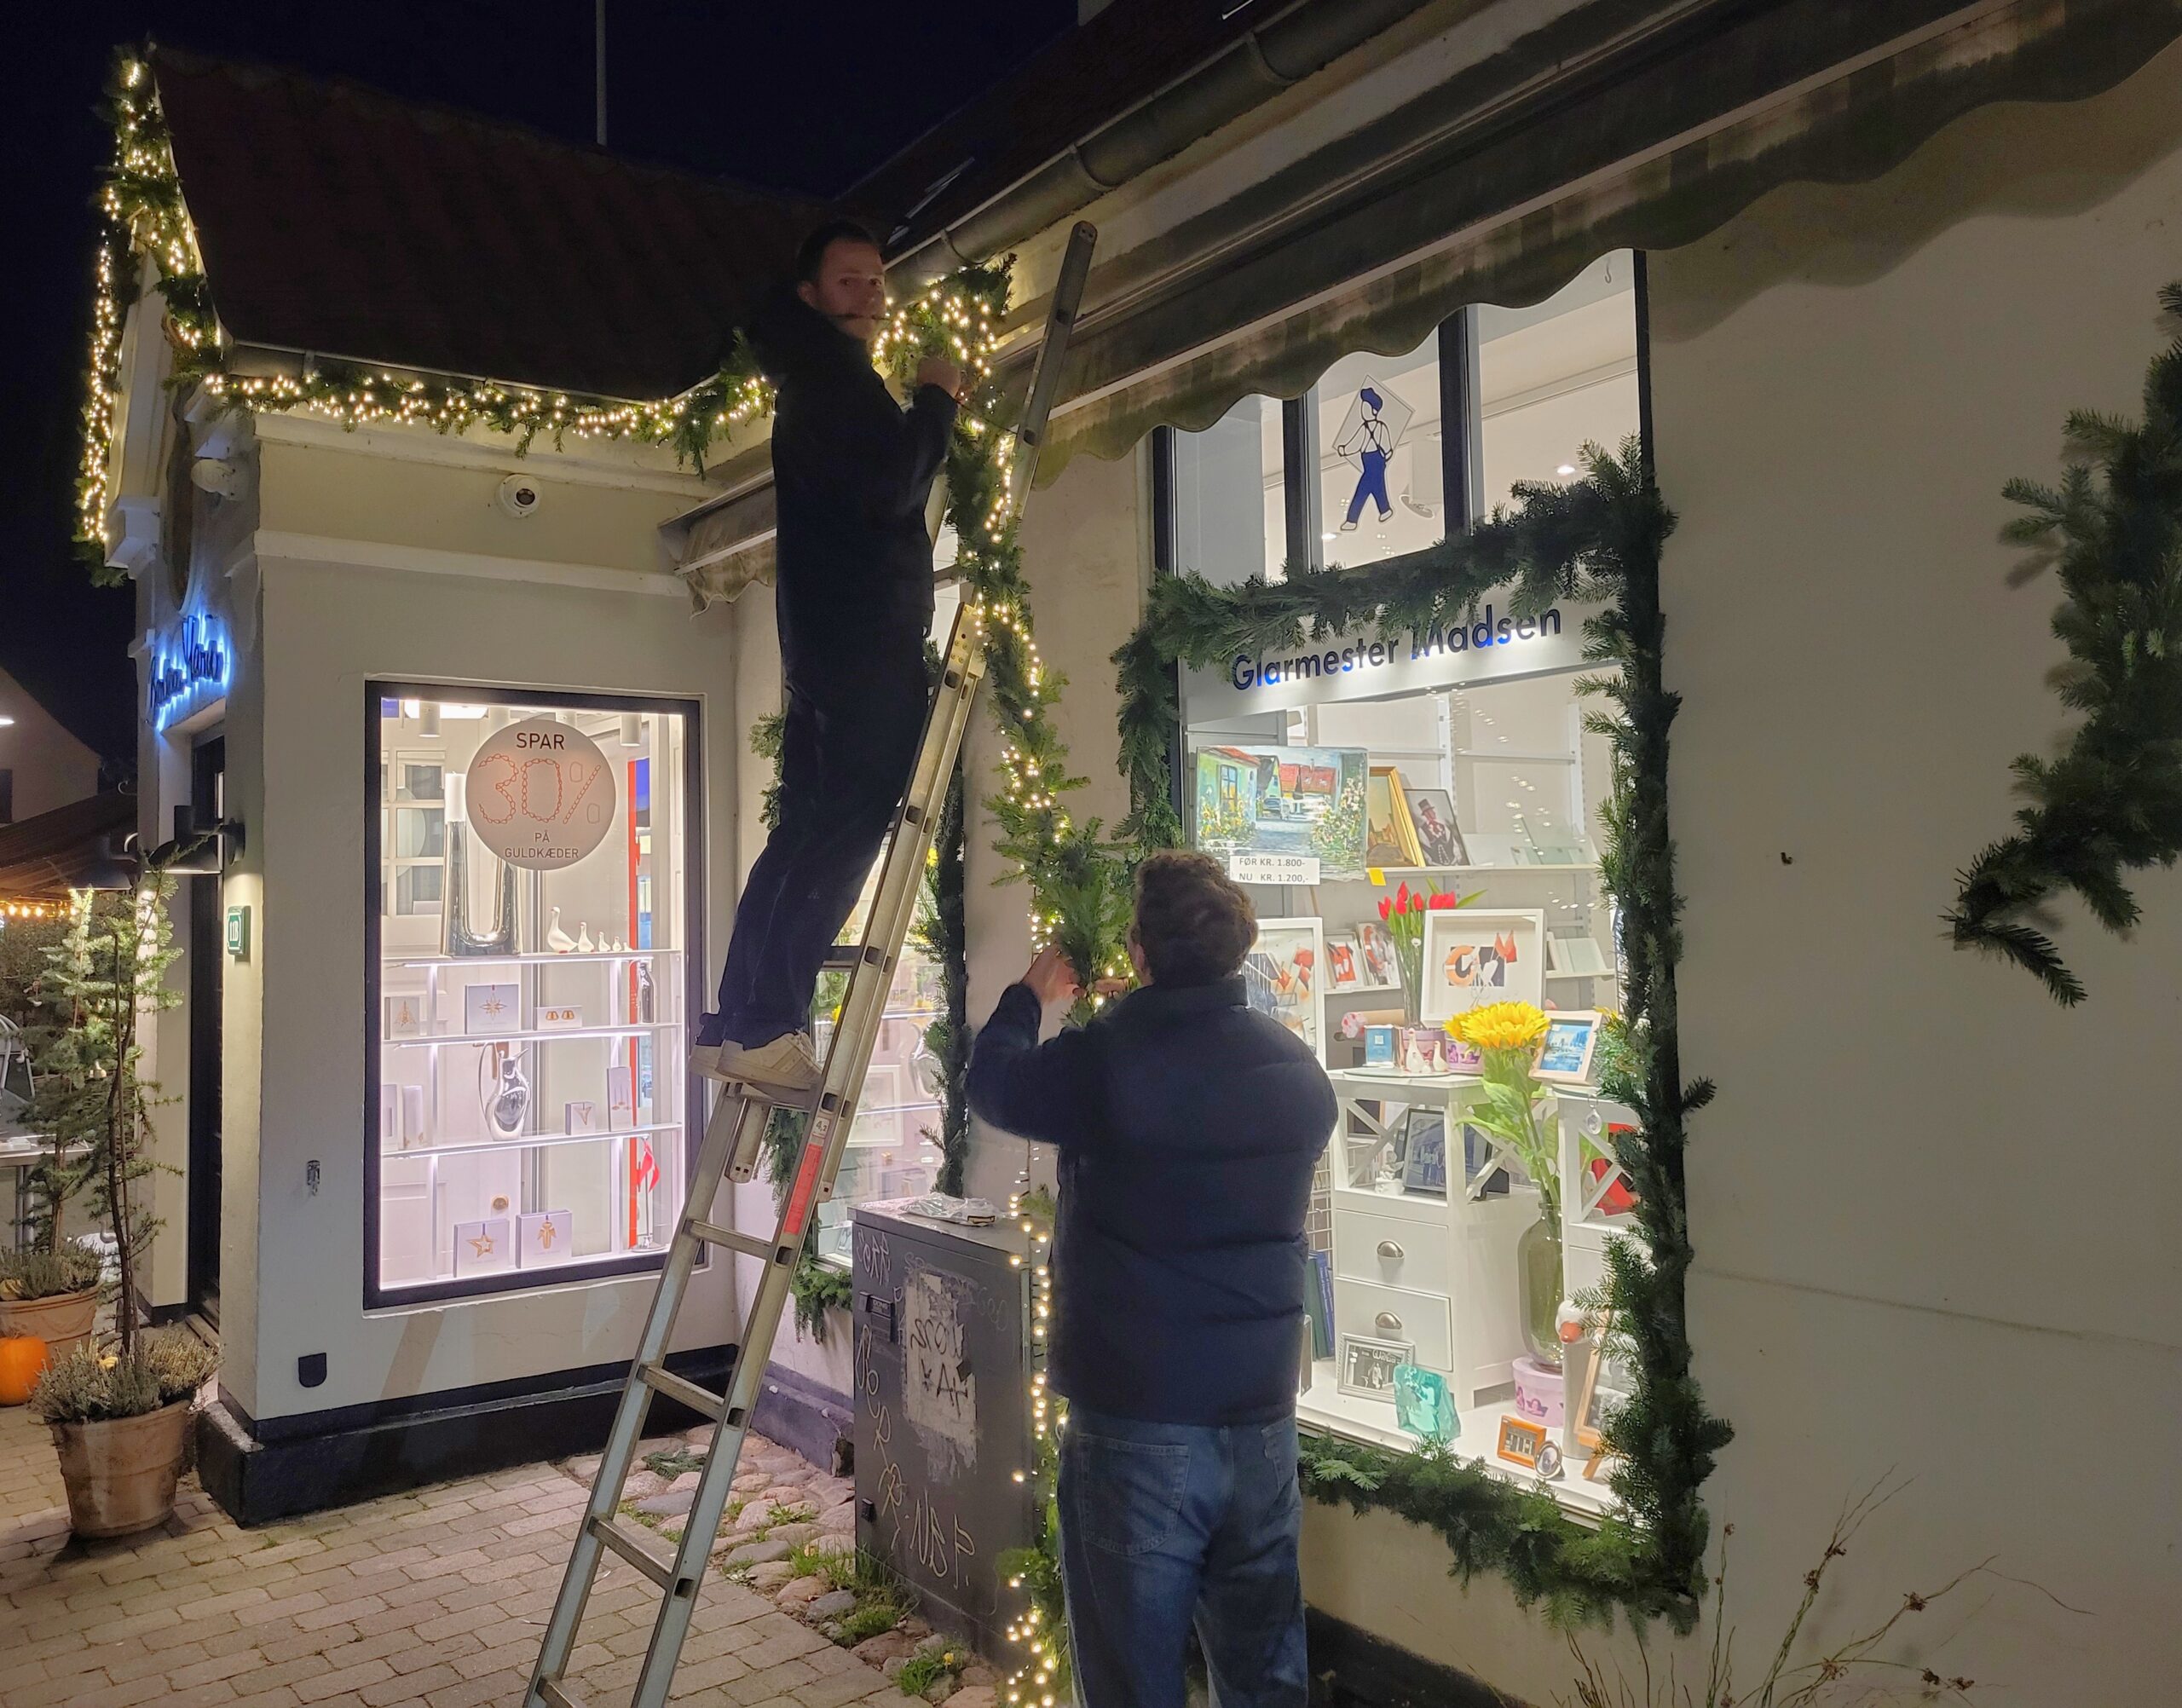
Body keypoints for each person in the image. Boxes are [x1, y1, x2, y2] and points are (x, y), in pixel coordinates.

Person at [967, 851, 1336, 1708]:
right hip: (1260, 1420)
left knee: (1134, 1678)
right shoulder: (1296, 1074)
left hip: (1137, 1416)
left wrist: (1030, 998)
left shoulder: (1106, 1064)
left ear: (1139, 950)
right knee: (1265, 1675)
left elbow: (992, 1083)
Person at [693, 221, 967, 1091]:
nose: (870, 294)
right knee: (846, 826)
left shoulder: (808, 379)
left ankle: (737, 1021)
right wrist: (935, 400)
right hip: (862, 641)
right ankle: (768, 1023)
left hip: (824, 641)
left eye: (877, 280)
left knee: (804, 832)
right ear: (810, 295)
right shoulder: (832, 381)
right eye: (850, 281)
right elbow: (891, 488)